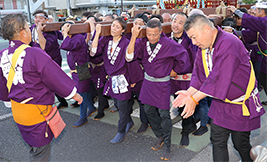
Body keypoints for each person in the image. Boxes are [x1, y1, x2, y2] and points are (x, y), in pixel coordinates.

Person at [172, 13, 265, 162]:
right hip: (220, 102)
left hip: (240, 104)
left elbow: (218, 79)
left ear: (206, 29)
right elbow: (200, 76)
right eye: (191, 39)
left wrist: (194, 99)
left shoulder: (229, 42)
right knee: (217, 141)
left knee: (240, 144)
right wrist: (189, 93)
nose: (193, 42)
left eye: (194, 37)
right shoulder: (204, 47)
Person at [0, 14, 83, 161]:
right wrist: (73, 94)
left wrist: (8, 100)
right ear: (23, 32)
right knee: (40, 153)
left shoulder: (2, 54)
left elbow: (2, 87)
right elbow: (54, 76)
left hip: (18, 112)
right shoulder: (33, 53)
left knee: (32, 146)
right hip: (37, 114)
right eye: (28, 27)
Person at [126, 19, 190, 160]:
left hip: (162, 84)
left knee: (164, 115)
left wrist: (176, 70)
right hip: (148, 83)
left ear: (160, 32)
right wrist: (133, 36)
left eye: (155, 34)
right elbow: (129, 57)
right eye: (149, 34)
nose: (152, 37)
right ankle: (159, 135)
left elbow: (184, 56)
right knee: (148, 111)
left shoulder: (168, 43)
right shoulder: (142, 42)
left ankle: (167, 144)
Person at [90, 17, 134, 144]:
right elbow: (93, 52)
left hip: (122, 78)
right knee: (117, 102)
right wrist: (97, 33)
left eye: (117, 27)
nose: (113, 29)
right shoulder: (106, 40)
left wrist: (133, 79)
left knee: (121, 105)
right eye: (113, 25)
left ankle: (121, 132)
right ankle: (129, 121)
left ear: (123, 30)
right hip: (110, 78)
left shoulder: (126, 42)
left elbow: (131, 60)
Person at [170, 12, 209, 147]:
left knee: (190, 104)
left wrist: (177, 69)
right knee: (179, 105)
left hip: (188, 79)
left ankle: (186, 131)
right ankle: (190, 124)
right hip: (172, 79)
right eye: (175, 21)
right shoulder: (167, 38)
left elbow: (193, 60)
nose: (176, 24)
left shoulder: (190, 40)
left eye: (181, 23)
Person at [29, 10, 69, 110]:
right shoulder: (31, 28)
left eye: (41, 18)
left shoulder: (50, 30)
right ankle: (61, 100)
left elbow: (46, 46)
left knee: (53, 81)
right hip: (36, 60)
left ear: (46, 20)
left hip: (52, 59)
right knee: (43, 81)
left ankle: (64, 98)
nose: (37, 20)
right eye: (36, 17)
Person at [60, 21, 97, 127]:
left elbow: (66, 46)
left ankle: (83, 117)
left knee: (81, 93)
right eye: (63, 30)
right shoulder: (72, 38)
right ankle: (91, 107)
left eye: (66, 29)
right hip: (75, 71)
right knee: (84, 91)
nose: (63, 32)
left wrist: (67, 33)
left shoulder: (78, 37)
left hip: (81, 69)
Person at [228, 3, 267, 103]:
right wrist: (231, 33)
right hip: (264, 58)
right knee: (263, 77)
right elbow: (249, 34)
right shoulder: (261, 24)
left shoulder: (264, 21)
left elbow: (252, 20)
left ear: (262, 11)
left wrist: (236, 11)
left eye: (256, 10)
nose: (254, 12)